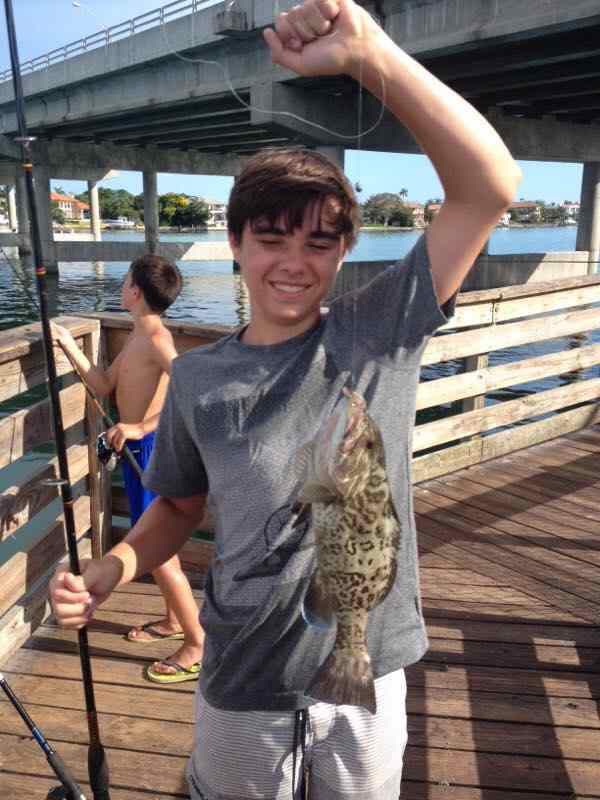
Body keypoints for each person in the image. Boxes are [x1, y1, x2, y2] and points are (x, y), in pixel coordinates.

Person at [50, 1, 521, 797]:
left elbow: (488, 187)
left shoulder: (379, 332)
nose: (293, 263)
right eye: (270, 238)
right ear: (235, 244)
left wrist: (372, 56)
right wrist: (113, 566)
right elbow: (175, 508)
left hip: (367, 666)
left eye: (319, 241)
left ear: (345, 249)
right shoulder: (198, 377)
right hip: (241, 674)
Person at [52, 253, 205, 684]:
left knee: (158, 553)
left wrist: (141, 426)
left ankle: (196, 644)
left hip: (155, 451)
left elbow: (188, 392)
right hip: (138, 453)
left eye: (124, 283)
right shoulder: (138, 336)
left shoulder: (157, 337)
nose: (121, 288)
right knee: (155, 548)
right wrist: (67, 344)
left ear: (135, 292)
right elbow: (102, 386)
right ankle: (174, 622)